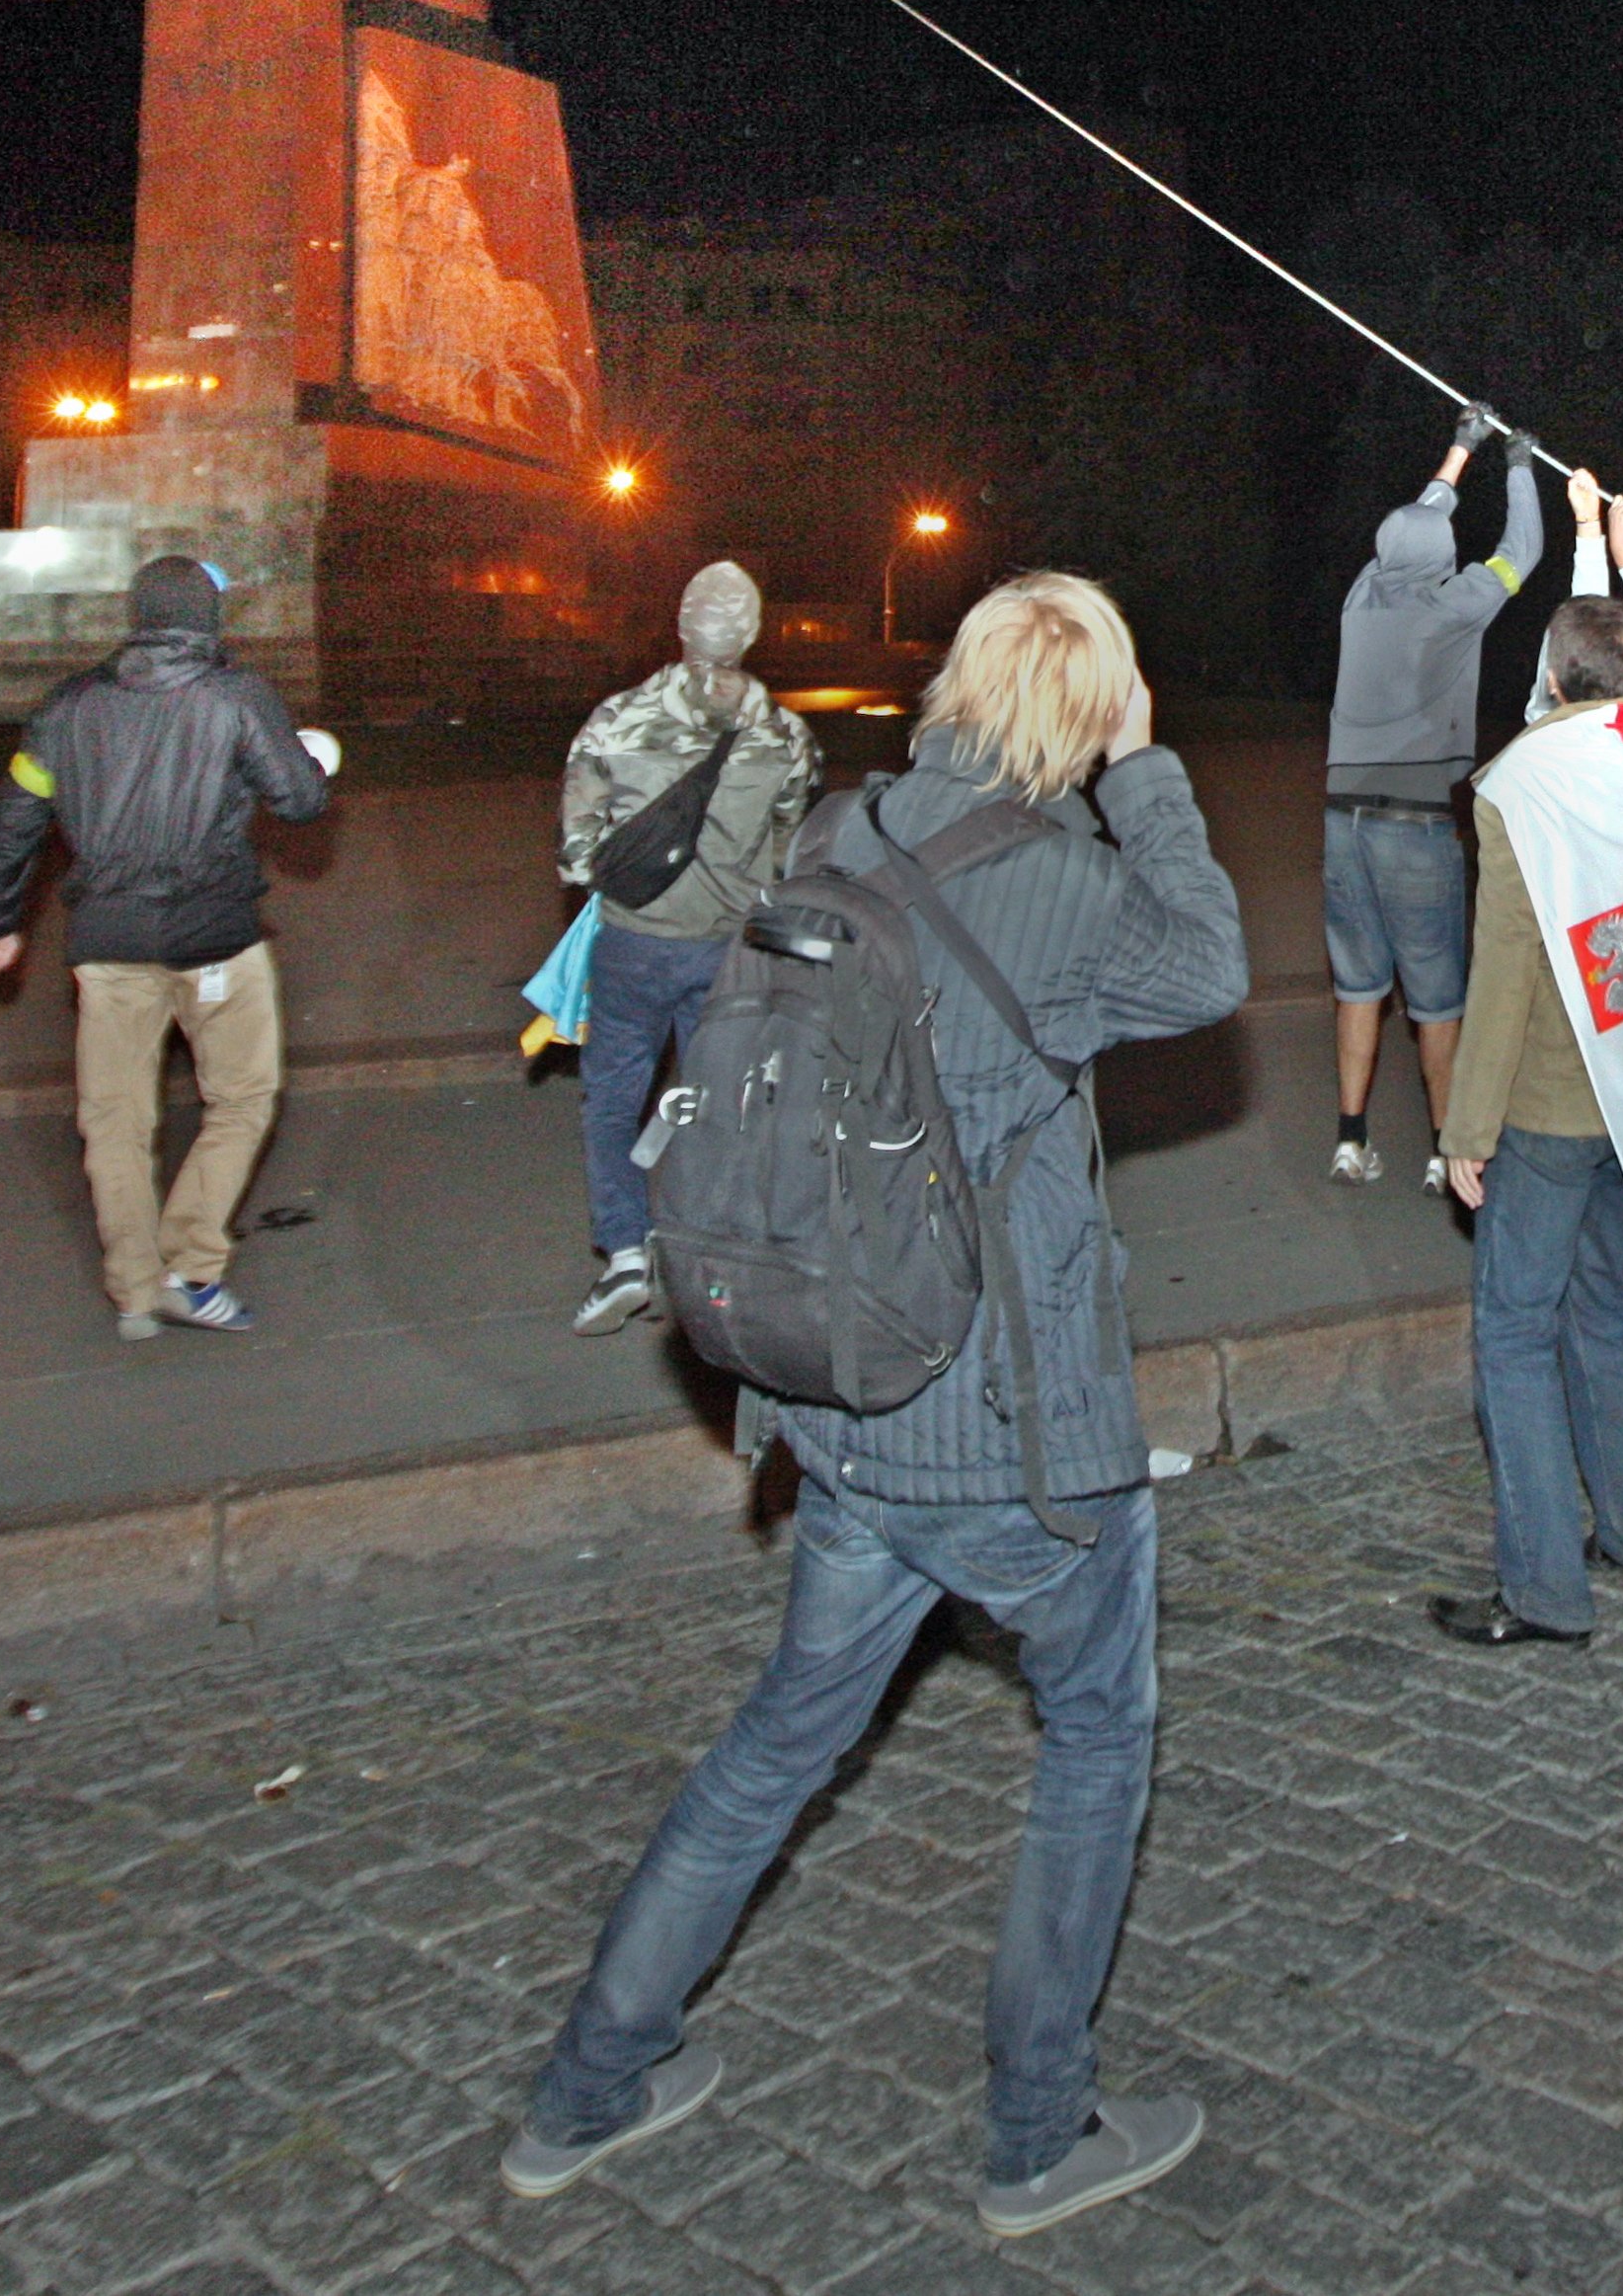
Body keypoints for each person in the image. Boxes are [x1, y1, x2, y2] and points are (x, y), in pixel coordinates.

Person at [506, 571, 1246, 2234]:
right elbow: (1207, 963)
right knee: (1100, 1735)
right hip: (1006, 1431)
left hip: (842, 1406)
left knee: (777, 1744)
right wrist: (1146, 768)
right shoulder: (1062, 879)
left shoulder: (839, 835)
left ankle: (586, 2085)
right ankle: (1040, 2132)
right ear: (1087, 711)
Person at [1430, 592, 1623, 1643]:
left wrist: (1465, 1128)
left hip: (1551, 1103)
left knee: (1513, 1334)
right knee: (1596, 1306)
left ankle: (1545, 1588)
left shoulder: (1518, 780)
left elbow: (1505, 961)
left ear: (1551, 679)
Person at [0, 557, 333, 1338]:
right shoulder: (238, 697)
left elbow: (14, 823)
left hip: (108, 943)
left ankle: (135, 1289)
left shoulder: (68, 707)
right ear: (209, 620)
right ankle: (192, 1267)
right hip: (215, 943)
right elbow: (300, 800)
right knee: (239, 1099)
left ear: (137, 617)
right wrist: (315, 757)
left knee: (114, 1122)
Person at [556, 563, 821, 1336]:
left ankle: (625, 1254)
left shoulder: (615, 719)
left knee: (613, 1096)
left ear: (680, 624)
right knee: (721, 1106)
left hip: (636, 945)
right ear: (752, 634)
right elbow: (785, 858)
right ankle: (713, 1254)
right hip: (730, 954)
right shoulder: (785, 736)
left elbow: (577, 856)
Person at [1323, 405, 1542, 1191]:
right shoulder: (1455, 606)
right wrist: (1518, 464)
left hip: (1341, 821)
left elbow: (1413, 522)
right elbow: (1524, 551)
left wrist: (1461, 446)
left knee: (1359, 984)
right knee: (1436, 995)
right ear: (1445, 557)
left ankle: (1351, 1140)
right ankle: (1445, 1150)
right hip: (1412, 829)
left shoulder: (1362, 596)